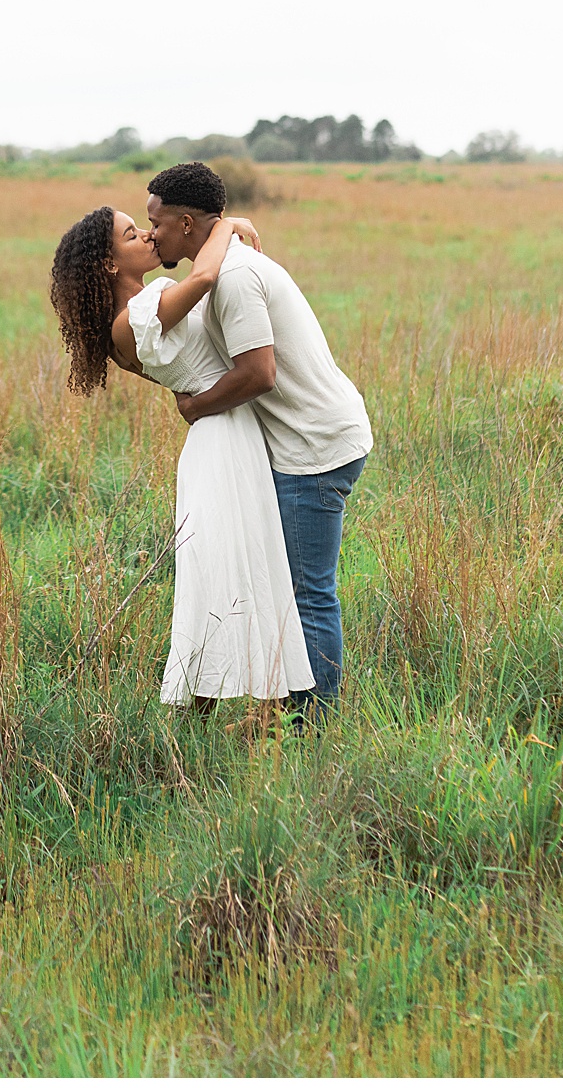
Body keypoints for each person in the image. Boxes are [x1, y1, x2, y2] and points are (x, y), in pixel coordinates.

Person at [49, 203, 315, 710]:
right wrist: (228, 224)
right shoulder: (137, 319)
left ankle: (233, 710)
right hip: (223, 439)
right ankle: (244, 707)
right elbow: (208, 273)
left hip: (220, 431)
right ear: (110, 265)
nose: (149, 235)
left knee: (226, 569)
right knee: (228, 573)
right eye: (133, 235)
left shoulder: (133, 319)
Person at [145, 161, 373, 716]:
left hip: (314, 448)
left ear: (187, 224)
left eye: (156, 222)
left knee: (306, 596)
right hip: (308, 440)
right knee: (297, 590)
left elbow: (259, 373)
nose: (151, 235)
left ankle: (314, 730)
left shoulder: (234, 278)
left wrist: (195, 407)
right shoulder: (221, 265)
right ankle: (298, 717)